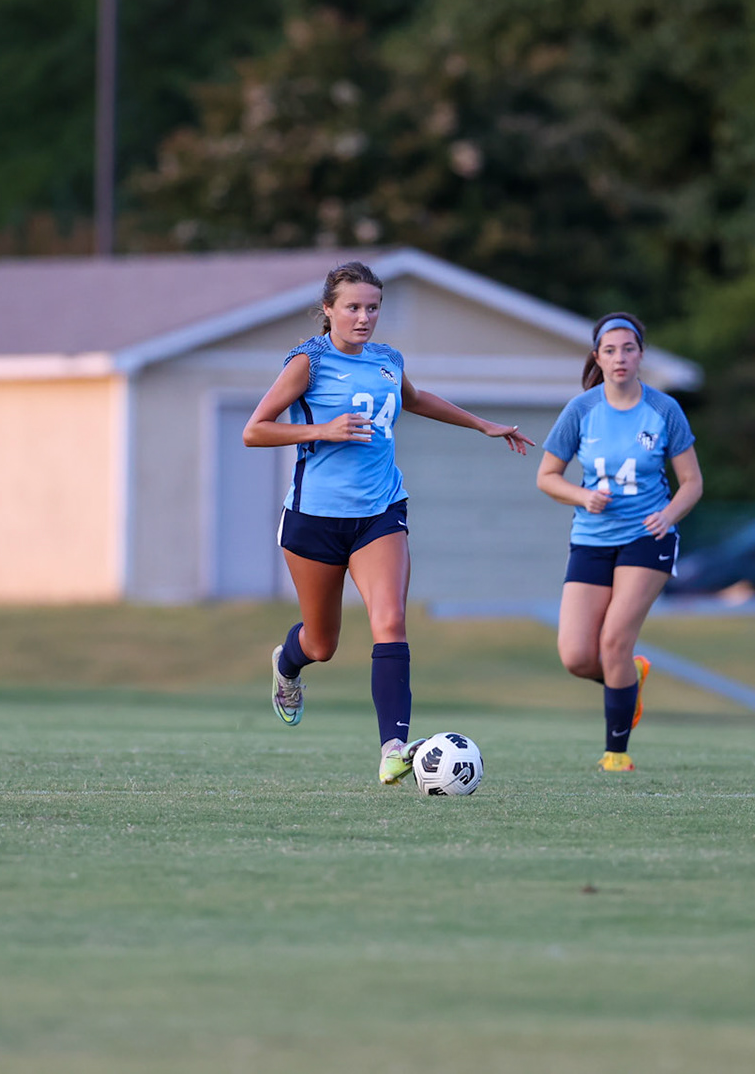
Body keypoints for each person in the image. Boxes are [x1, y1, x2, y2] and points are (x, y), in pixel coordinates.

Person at [245, 260, 534, 783]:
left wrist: (482, 424)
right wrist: (322, 431)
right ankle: (288, 665)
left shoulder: (387, 361)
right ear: (328, 310)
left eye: (372, 307)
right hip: (314, 521)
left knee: (391, 623)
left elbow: (416, 400)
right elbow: (255, 430)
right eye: (352, 307)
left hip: (380, 513)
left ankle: (394, 749)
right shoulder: (306, 363)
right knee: (322, 644)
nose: (363, 317)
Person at [536, 312, 702, 771]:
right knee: (575, 656)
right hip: (591, 539)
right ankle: (634, 675)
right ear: (598, 358)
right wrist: (583, 495)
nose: (620, 358)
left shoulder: (664, 409)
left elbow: (691, 483)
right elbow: (547, 477)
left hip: (646, 540)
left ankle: (616, 754)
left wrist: (667, 515)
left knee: (613, 643)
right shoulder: (582, 410)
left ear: (641, 354)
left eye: (628, 349)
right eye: (610, 350)